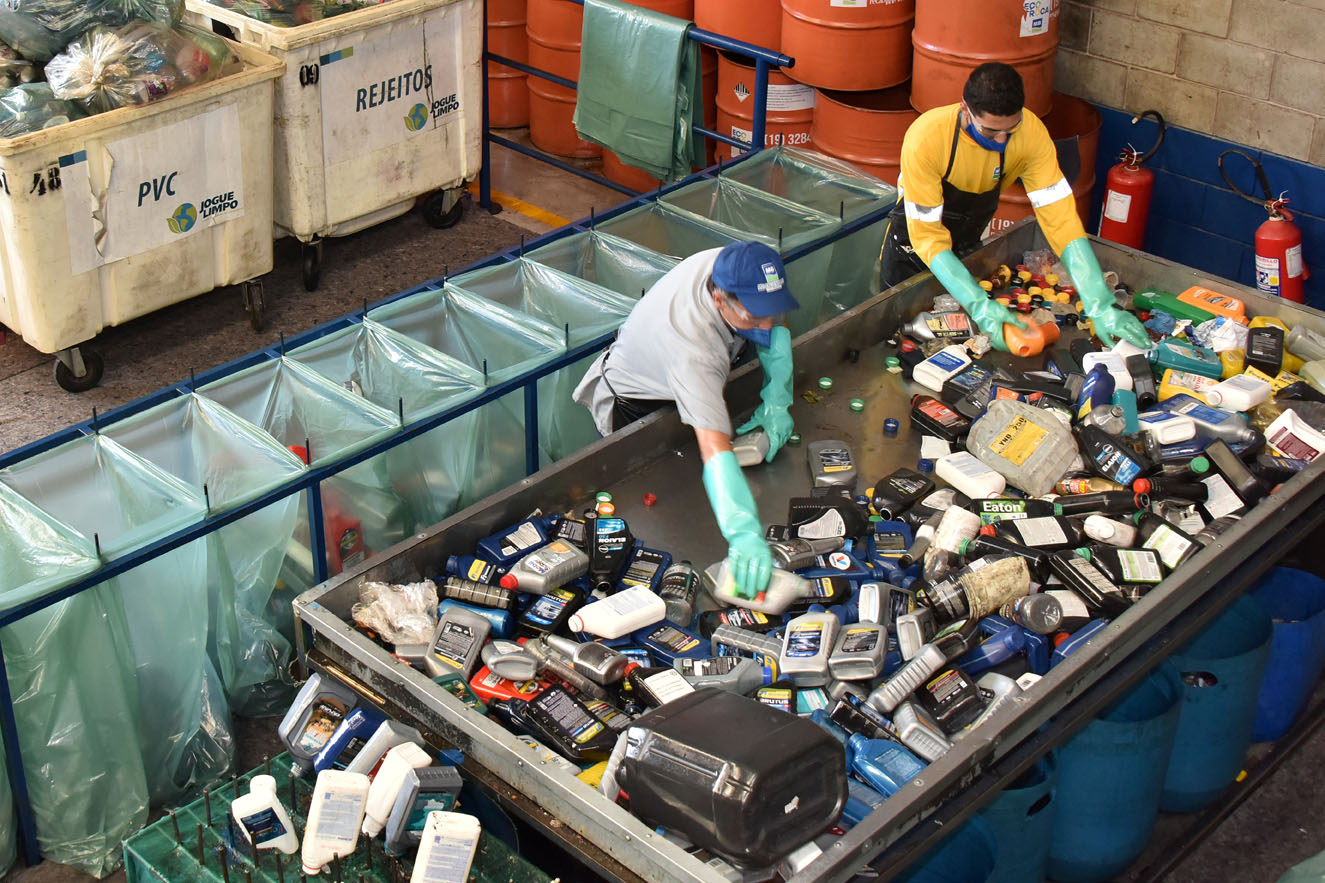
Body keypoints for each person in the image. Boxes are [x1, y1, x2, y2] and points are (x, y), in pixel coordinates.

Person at [572, 240, 799, 599]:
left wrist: (777, 398)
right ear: (720, 299)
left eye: (772, 310)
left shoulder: (740, 266)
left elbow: (771, 322)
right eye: (755, 317)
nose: (766, 324)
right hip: (636, 404)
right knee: (654, 509)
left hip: (683, 379)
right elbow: (714, 448)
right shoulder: (693, 347)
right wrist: (744, 533)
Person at [879, 62, 1150, 350]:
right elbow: (929, 238)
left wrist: (1099, 301)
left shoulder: (1031, 135)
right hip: (912, 245)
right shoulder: (927, 139)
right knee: (896, 333)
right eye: (991, 131)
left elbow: (1060, 218)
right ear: (964, 109)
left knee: (953, 337)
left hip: (964, 241)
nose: (1002, 140)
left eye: (1011, 129)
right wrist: (979, 305)